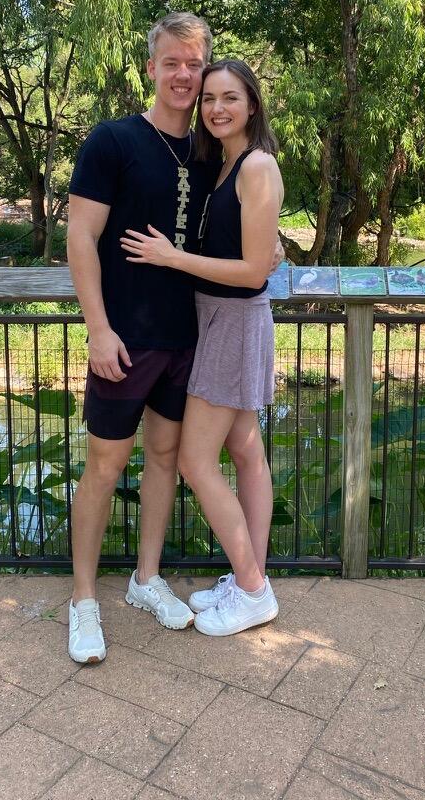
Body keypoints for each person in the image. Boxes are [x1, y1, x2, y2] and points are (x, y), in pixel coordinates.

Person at [67, 17, 281, 662]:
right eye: (172, 62)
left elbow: (241, 231)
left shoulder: (215, 150)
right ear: (152, 66)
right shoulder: (113, 141)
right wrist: (98, 330)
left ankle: (145, 580)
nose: (186, 75)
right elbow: (81, 238)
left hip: (190, 340)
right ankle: (82, 601)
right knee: (104, 466)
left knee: (166, 459)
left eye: (195, 62)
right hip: (123, 339)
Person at [121, 59, 284, 636]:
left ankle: (253, 588)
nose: (216, 108)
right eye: (209, 98)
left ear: (252, 105)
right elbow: (261, 249)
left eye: (229, 98)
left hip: (233, 320)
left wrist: (172, 258)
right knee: (244, 449)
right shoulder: (219, 166)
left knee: (194, 460)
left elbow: (252, 270)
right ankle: (250, 578)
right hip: (216, 318)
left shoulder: (257, 165)